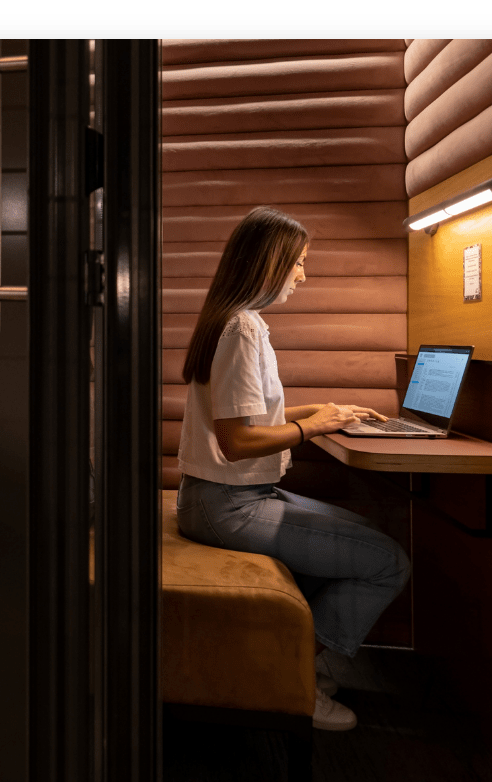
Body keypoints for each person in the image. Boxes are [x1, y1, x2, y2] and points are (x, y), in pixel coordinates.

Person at [175, 207, 411, 731]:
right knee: (388, 562)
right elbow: (238, 442)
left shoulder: (239, 320)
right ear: (269, 263)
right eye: (299, 263)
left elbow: (247, 419)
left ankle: (294, 661)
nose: (303, 275)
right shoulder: (241, 329)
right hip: (227, 505)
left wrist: (329, 411)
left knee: (370, 537)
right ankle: (295, 675)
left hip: (225, 498)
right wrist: (314, 427)